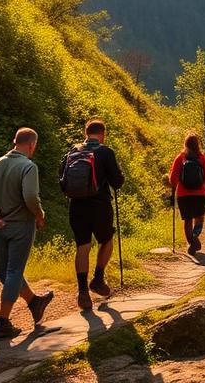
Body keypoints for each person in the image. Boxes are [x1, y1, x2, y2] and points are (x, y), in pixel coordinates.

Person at [0, 127, 54, 343]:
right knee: (13, 271)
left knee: (5, 273)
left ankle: (34, 303)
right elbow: (31, 196)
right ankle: (2, 323)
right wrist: (39, 216)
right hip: (21, 225)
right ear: (31, 145)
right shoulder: (28, 167)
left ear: (15, 142)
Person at [59, 117, 124, 310]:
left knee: (83, 246)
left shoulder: (72, 152)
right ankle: (97, 279)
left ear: (85, 134)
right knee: (107, 240)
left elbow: (62, 180)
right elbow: (117, 183)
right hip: (100, 206)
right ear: (102, 134)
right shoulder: (105, 152)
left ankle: (82, 292)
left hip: (76, 206)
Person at [167, 132, 205, 256]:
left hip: (183, 195)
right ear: (197, 144)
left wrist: (173, 187)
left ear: (185, 144)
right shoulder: (203, 158)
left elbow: (173, 180)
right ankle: (195, 237)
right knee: (199, 219)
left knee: (187, 220)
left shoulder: (180, 158)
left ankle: (192, 243)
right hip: (199, 194)